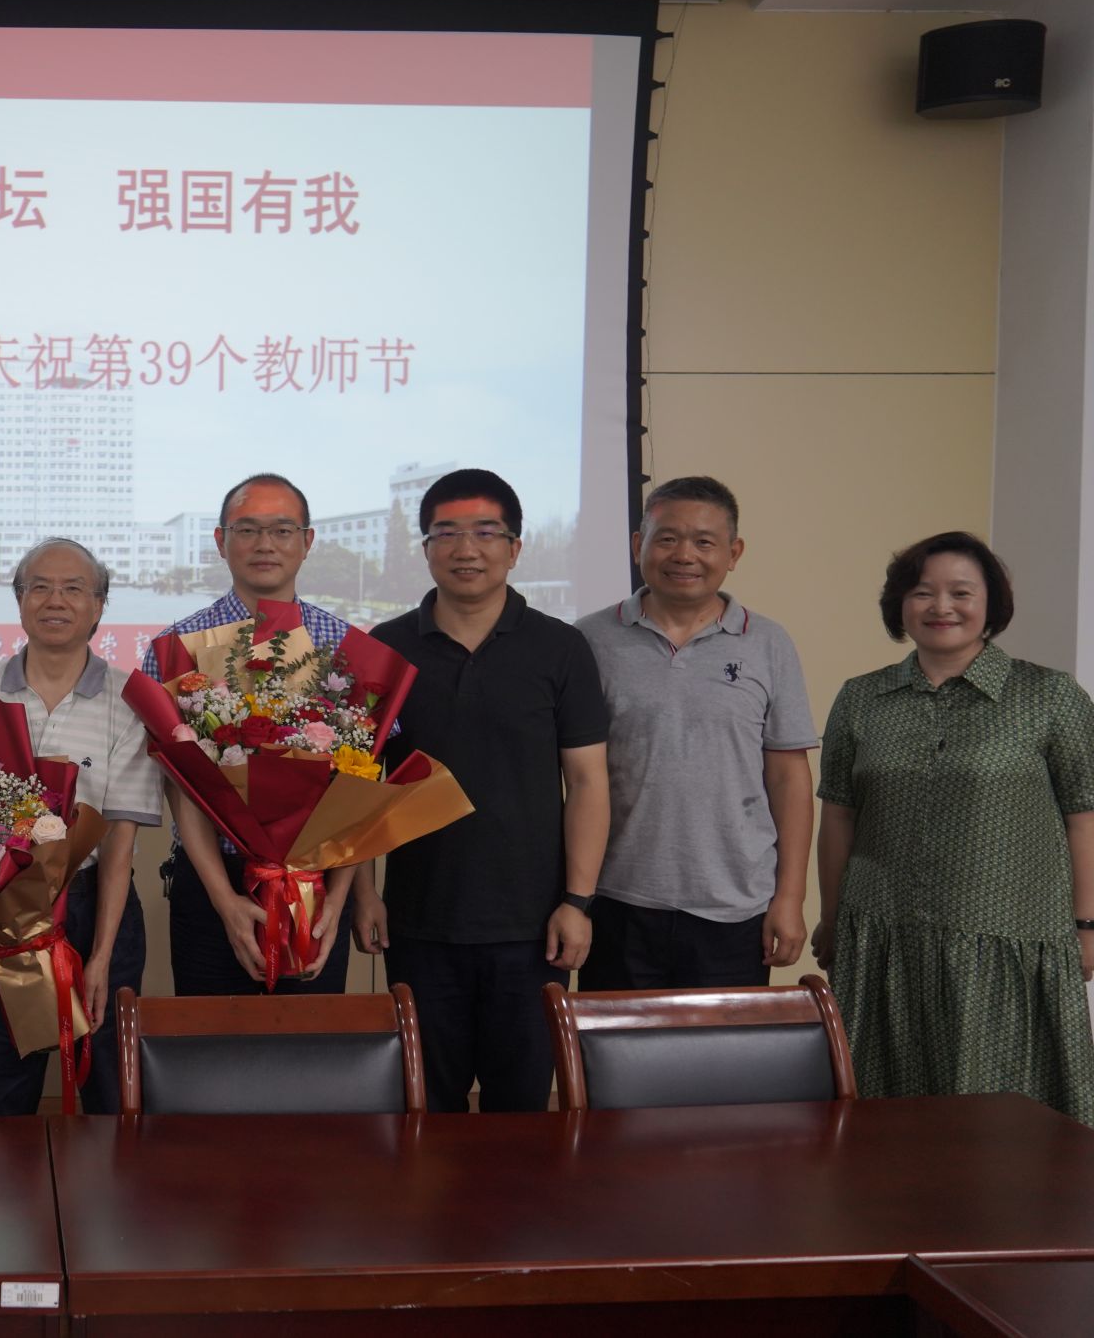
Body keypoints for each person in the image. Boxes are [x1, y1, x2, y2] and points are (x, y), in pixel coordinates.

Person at [812, 531, 1094, 1126]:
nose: (941, 606)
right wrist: (833, 919)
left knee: (1000, 1135)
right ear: (899, 605)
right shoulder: (861, 699)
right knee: (884, 1129)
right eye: (922, 592)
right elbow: (838, 813)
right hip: (883, 939)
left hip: (1007, 946)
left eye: (961, 593)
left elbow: (1084, 815)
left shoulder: (1049, 696)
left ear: (992, 604)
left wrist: (1087, 925)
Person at [354, 469, 608, 1112]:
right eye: (447, 533)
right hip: (418, 921)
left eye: (486, 533)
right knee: (423, 1105)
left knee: (520, 1110)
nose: (466, 549)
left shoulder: (561, 648)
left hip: (534, 927)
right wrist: (364, 891)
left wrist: (577, 900)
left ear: (515, 548)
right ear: (426, 549)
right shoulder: (385, 648)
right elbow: (356, 782)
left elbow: (586, 781)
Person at [575, 476, 817, 989]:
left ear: (734, 553)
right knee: (616, 1044)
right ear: (639, 545)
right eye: (667, 538)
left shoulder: (768, 643)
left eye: (704, 542)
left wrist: (790, 897)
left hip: (735, 909)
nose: (684, 555)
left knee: (722, 1046)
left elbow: (789, 778)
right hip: (617, 901)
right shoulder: (589, 640)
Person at [0, 538, 161, 1114]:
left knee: (111, 1091)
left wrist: (101, 957)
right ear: (19, 601)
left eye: (73, 588)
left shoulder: (129, 700)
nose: (55, 600)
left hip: (94, 909)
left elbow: (119, 847)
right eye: (39, 587)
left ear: (99, 606)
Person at [139, 472, 357, 996]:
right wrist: (223, 899)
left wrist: (337, 898)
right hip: (211, 883)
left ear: (307, 541)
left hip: (318, 887)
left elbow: (361, 783)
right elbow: (179, 784)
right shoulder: (177, 646)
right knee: (209, 1041)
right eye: (247, 529)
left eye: (282, 530)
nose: (265, 544)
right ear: (221, 541)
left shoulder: (345, 644)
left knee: (314, 1042)